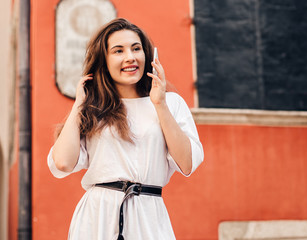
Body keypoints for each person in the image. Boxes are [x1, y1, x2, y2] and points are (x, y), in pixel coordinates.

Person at [47, 18, 204, 240]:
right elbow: (62, 162)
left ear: (147, 55)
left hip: (149, 215)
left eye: (136, 48)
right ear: (105, 61)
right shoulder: (93, 109)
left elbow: (186, 163)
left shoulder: (171, 103)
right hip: (97, 218)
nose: (130, 57)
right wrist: (79, 105)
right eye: (118, 51)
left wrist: (160, 104)